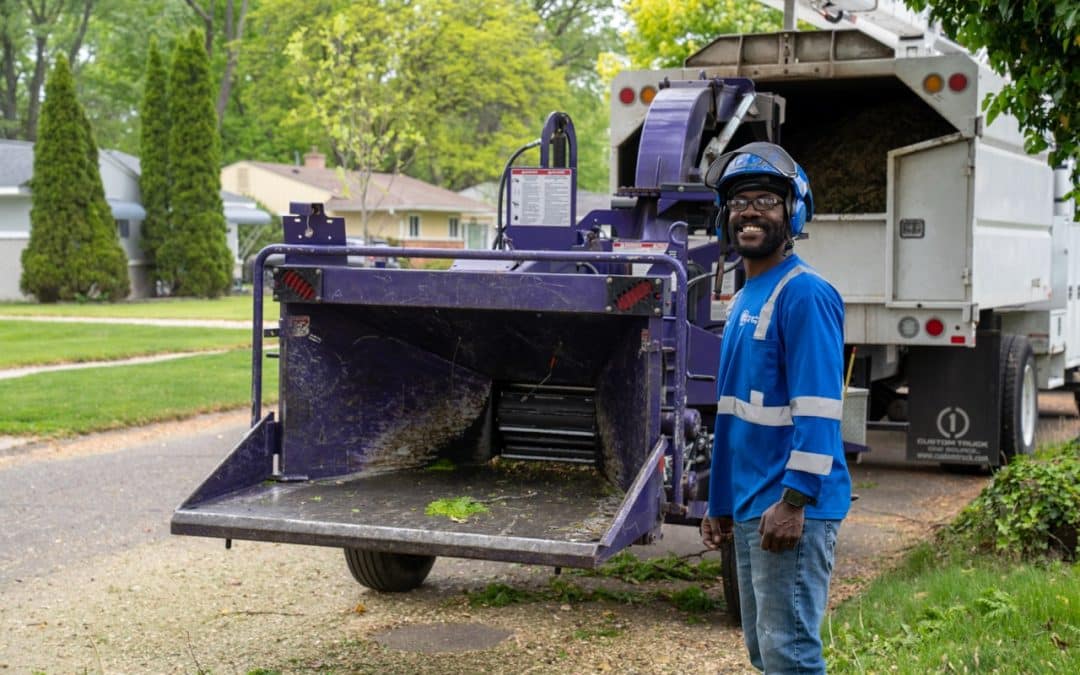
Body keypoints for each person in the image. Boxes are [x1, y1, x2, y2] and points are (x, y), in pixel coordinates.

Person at [701, 142, 851, 674]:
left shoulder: (804, 293)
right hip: (750, 503)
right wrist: (718, 502)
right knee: (766, 649)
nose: (750, 211)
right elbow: (732, 414)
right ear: (725, 215)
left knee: (789, 651)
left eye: (766, 199)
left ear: (794, 213)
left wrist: (795, 500)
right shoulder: (745, 296)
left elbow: (818, 408)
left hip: (789, 506)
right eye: (740, 201)